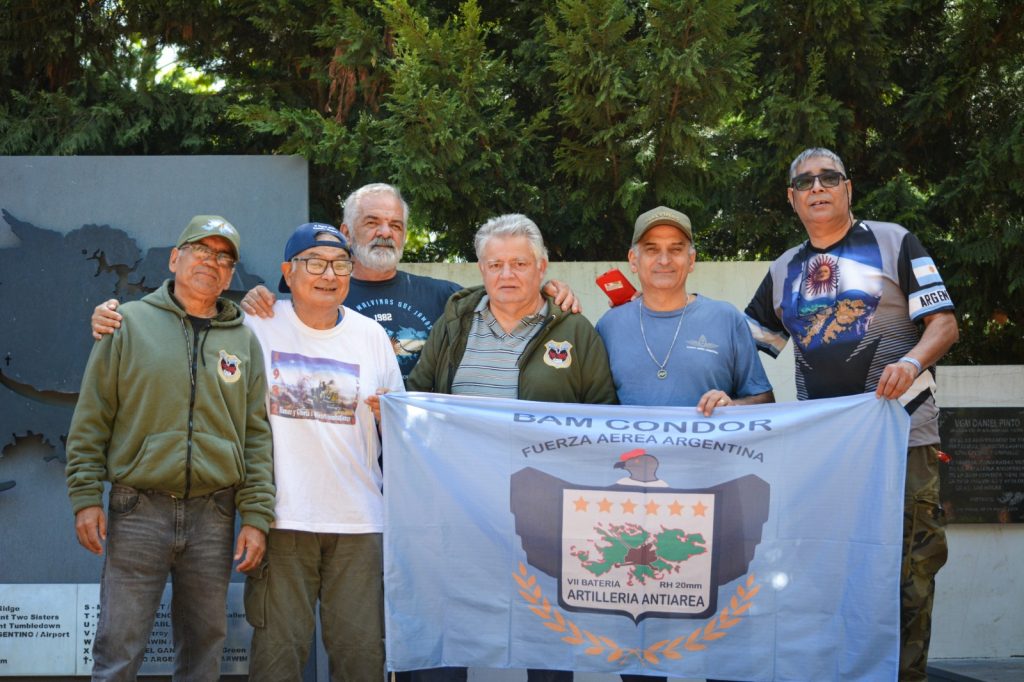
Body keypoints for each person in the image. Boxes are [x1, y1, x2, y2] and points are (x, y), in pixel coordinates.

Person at [744, 147, 959, 682]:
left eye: (829, 178)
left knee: (909, 575)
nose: (817, 187)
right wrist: (730, 401)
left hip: (904, 440)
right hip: (827, 455)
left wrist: (911, 362)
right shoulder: (782, 269)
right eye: (805, 182)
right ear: (792, 198)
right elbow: (745, 351)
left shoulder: (894, 241)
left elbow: (944, 324)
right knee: (829, 574)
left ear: (848, 188)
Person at [405, 214, 617, 682]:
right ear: (481, 269)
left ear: (542, 267)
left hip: (546, 515)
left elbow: (604, 418)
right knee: (447, 639)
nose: (507, 274)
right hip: (461, 510)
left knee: (548, 648)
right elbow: (417, 399)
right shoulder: (454, 324)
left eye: (519, 263)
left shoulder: (576, 331)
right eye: (495, 264)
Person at [65, 215, 275, 681]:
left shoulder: (244, 340)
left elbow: (256, 435)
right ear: (175, 259)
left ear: (230, 274)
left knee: (203, 655)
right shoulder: (127, 324)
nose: (211, 262)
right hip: (138, 509)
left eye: (223, 257)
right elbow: (93, 416)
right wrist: (85, 497)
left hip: (214, 514)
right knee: (119, 650)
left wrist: (256, 516)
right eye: (201, 250)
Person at [595, 207, 773, 682]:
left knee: (722, 623)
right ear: (633, 259)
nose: (664, 260)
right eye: (652, 249)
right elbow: (591, 412)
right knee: (641, 630)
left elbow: (764, 401)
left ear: (692, 259)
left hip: (716, 499)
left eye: (676, 249)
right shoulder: (608, 325)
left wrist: (733, 405)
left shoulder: (725, 319)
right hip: (635, 509)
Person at [243, 222, 404, 681]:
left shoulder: (371, 336)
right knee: (277, 657)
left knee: (362, 659)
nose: (328, 274)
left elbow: (401, 432)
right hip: (283, 518)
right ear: (288, 272)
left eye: (339, 264)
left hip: (360, 522)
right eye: (314, 263)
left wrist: (387, 416)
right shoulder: (257, 324)